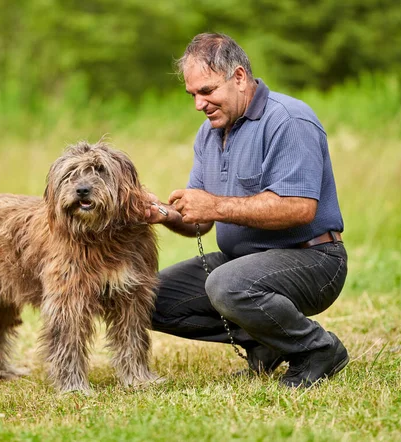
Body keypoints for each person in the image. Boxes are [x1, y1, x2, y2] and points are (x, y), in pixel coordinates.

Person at [145, 33, 349, 388]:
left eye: (207, 91)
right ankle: (268, 343)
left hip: (315, 260)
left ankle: (317, 350)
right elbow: (202, 222)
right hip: (241, 263)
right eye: (192, 95)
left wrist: (215, 205)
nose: (199, 104)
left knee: (227, 284)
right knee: (144, 299)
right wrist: (161, 213)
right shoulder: (208, 133)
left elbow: (299, 208)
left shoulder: (289, 120)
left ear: (239, 77)